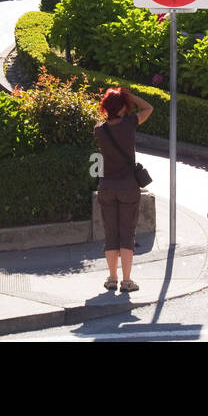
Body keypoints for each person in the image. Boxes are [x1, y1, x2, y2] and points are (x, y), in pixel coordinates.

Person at [94, 86, 153, 294]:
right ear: (123, 107)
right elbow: (149, 108)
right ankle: (127, 281)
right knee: (127, 234)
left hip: (107, 187)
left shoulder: (99, 130)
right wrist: (132, 97)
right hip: (128, 187)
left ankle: (112, 278)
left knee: (111, 233)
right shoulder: (129, 124)